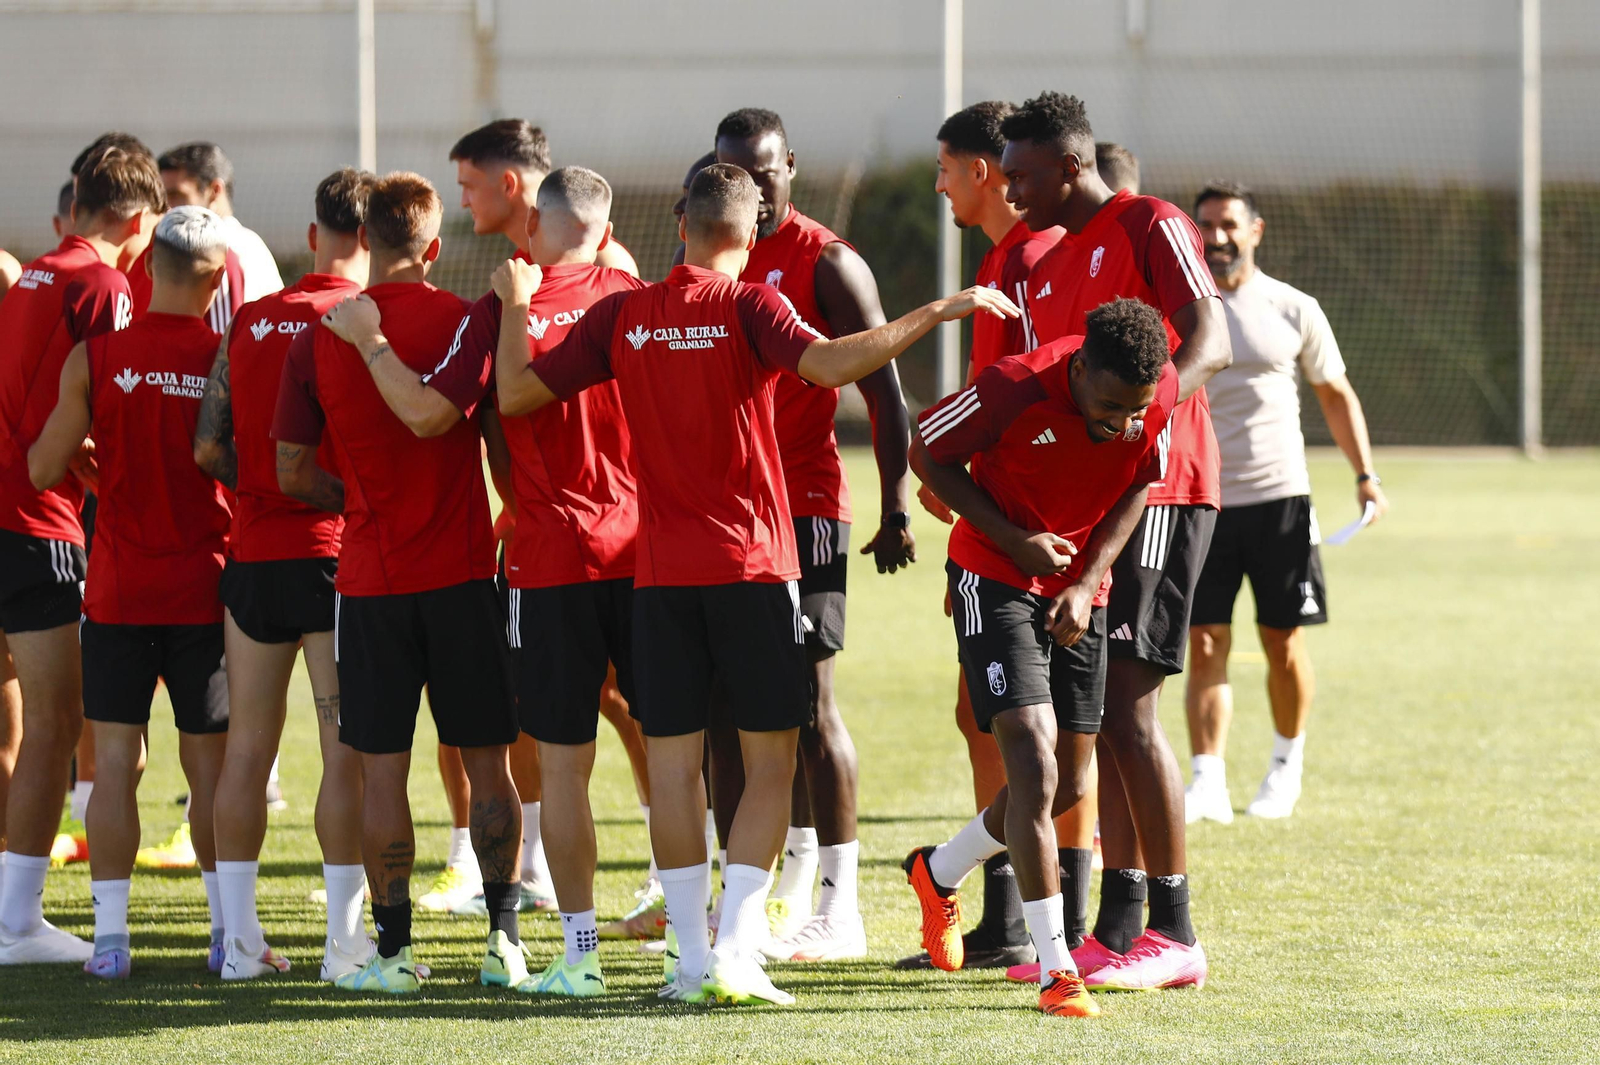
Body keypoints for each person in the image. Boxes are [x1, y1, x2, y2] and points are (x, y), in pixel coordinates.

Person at [476, 163, 1015, 1004]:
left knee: (674, 767)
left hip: (658, 578)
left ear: (681, 225)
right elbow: (831, 364)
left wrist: (516, 309)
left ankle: (691, 958)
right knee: (771, 760)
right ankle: (733, 946)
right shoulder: (750, 304)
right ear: (754, 233)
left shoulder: (627, 313)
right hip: (753, 567)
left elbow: (513, 392)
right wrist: (936, 311)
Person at [331, 165, 645, 996]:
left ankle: (401, 955)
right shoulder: (631, 299)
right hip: (589, 559)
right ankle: (534, 941)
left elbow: (308, 457)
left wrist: (369, 343)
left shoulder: (489, 313)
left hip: (455, 571)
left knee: (389, 770)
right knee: (661, 750)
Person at [991, 91, 1232, 992]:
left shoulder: (1150, 222)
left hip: (1164, 489)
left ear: (1069, 165)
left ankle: (1175, 930)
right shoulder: (1055, 259)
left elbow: (1212, 340)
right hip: (1101, 509)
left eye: (1021, 175)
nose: (1011, 192)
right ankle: (1119, 927)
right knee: (1098, 717)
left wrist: (1146, 420)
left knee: (1132, 708)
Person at [271, 171, 523, 994]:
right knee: (489, 767)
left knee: (381, 771)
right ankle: (504, 940)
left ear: (363, 240)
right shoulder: (464, 321)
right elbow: (500, 449)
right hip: (461, 578)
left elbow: (289, 469)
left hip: (370, 585)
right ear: (434, 245)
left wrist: (357, 502)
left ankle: (392, 955)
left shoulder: (318, 336)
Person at [907, 298, 1185, 1018]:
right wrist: (1012, 538)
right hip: (993, 573)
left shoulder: (1156, 393)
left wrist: (1088, 583)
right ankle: (1057, 969)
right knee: (1032, 762)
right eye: (1111, 406)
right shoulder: (1013, 386)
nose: (1124, 422)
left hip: (1078, 589)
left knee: (1065, 784)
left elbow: (1141, 482)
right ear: (1079, 368)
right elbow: (926, 450)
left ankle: (938, 870)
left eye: (1137, 409)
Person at [714, 107, 915, 960]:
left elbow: (887, 392)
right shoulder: (714, 253)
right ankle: (756, 898)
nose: (754, 190)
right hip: (729, 514)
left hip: (804, 507)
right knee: (732, 710)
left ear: (789, 166)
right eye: (736, 174)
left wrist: (895, 502)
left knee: (808, 703)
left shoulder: (826, 260)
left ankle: (842, 904)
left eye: (764, 173)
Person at [428, 119, 641, 918]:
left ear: (523, 203)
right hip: (621, 544)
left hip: (553, 550)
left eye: (469, 184)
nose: (464, 199)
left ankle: (580, 924)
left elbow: (464, 409)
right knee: (654, 729)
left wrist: (375, 350)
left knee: (570, 737)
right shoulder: (625, 298)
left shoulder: (510, 304)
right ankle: (685, 916)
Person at [28, 205, 234, 980]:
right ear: (216, 281)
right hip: (205, 589)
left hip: (117, 589)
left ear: (146, 267)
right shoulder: (226, 355)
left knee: (114, 761)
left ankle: (111, 941)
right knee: (209, 769)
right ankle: (225, 933)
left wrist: (93, 458)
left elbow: (43, 467)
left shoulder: (97, 356)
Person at [192, 168, 377, 981]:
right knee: (344, 752)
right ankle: (344, 946)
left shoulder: (253, 318)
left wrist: (258, 490)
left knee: (245, 754)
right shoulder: (363, 319)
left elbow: (208, 446)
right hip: (335, 558)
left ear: (313, 236)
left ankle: (238, 946)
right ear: (371, 239)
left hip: (254, 560)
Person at [898, 99, 1066, 973]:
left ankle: (1053, 917)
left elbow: (1040, 395)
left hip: (1035, 536)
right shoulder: (1000, 260)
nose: (938, 186)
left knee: (1050, 740)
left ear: (981, 171)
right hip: (995, 524)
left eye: (945, 168)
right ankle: (1005, 916)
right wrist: (957, 483)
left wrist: (975, 494)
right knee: (986, 721)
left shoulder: (1031, 259)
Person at [0, 141, 162, 965]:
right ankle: (17, 922)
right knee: (57, 722)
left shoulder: (32, 272)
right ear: (136, 219)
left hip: (11, 506)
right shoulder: (102, 284)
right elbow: (119, 393)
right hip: (36, 524)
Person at [1184, 181, 1388, 822]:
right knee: (1204, 642)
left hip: (1281, 502)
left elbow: (1335, 394)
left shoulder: (1294, 307)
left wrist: (1365, 474)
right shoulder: (1182, 309)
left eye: (1229, 224)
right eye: (1206, 225)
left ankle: (1284, 767)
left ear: (1255, 230)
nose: (1217, 237)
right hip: (1204, 502)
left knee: (1283, 642)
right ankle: (1207, 781)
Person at [158, 142, 284, 303]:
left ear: (215, 190)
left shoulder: (224, 248)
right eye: (163, 197)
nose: (166, 207)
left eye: (176, 195)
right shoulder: (250, 244)